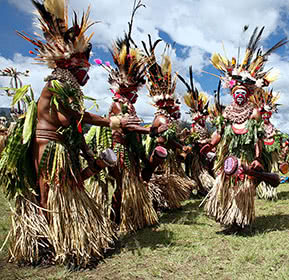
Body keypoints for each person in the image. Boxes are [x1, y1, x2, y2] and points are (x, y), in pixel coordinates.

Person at [0, 0, 139, 267]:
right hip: (48, 146)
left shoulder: (70, 89)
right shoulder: (56, 85)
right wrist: (112, 121)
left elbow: (74, 126)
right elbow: (76, 117)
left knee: (71, 185)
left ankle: (69, 240)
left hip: (62, 146)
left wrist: (89, 155)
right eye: (84, 70)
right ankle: (49, 242)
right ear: (73, 67)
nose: (87, 76)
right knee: (49, 192)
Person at [201, 27, 286, 232]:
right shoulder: (226, 113)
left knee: (244, 187)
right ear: (232, 94)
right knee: (226, 185)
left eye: (243, 93)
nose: (240, 96)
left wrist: (257, 157)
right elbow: (219, 133)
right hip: (230, 157)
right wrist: (208, 145)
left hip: (247, 157)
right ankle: (228, 217)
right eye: (237, 92)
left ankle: (241, 219)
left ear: (247, 95)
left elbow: (257, 138)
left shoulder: (254, 113)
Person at [90, 3, 159, 233]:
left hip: (130, 151)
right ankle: (114, 219)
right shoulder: (118, 104)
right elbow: (127, 127)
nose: (135, 94)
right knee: (120, 186)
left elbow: (132, 125)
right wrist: (148, 130)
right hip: (120, 152)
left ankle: (130, 217)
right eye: (133, 90)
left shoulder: (128, 104)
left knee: (131, 184)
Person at [143, 39, 195, 211]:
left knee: (167, 178)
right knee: (160, 178)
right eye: (171, 102)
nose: (174, 104)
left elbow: (170, 137)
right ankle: (158, 204)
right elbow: (165, 139)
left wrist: (181, 141)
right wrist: (180, 146)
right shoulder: (161, 118)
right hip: (159, 155)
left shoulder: (167, 119)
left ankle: (166, 203)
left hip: (166, 154)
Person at [178, 67, 215, 196]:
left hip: (203, 153)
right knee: (197, 171)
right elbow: (193, 140)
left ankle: (202, 188)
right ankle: (200, 188)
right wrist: (201, 141)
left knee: (204, 170)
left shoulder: (203, 126)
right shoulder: (194, 127)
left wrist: (209, 141)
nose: (203, 117)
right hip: (196, 154)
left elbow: (207, 137)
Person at [251, 88, 285, 200]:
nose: (265, 117)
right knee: (262, 169)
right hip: (262, 150)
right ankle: (261, 190)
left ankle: (271, 191)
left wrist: (274, 136)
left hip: (272, 151)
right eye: (263, 115)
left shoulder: (272, 127)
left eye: (268, 115)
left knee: (272, 168)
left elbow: (276, 136)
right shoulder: (257, 126)